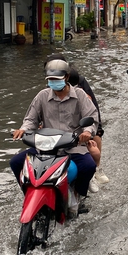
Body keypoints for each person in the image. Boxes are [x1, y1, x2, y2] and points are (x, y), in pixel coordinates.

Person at [11, 60, 98, 206]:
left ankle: (79, 196)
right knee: (16, 162)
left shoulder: (80, 95)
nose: (53, 82)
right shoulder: (42, 95)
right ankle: (30, 194)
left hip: (73, 145)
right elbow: (31, 119)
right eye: (50, 80)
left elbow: (92, 118)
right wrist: (23, 129)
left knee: (89, 166)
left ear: (67, 77)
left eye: (56, 79)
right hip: (46, 145)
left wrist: (87, 132)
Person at [45, 54, 109, 190]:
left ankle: (94, 173)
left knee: (94, 144)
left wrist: (92, 130)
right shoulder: (46, 91)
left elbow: (92, 110)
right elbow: (36, 115)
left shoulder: (79, 89)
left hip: (78, 128)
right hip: (55, 134)